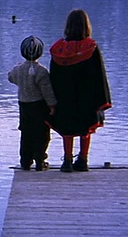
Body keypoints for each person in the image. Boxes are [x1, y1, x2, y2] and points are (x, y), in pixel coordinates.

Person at [47, 9, 112, 172]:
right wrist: (101, 100)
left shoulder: (58, 50)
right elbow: (99, 76)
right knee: (85, 128)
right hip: (87, 97)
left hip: (65, 97)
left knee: (67, 129)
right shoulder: (91, 47)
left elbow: (53, 77)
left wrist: (51, 101)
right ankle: (83, 160)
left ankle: (67, 161)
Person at [8, 35, 57, 171]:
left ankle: (25, 160)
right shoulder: (41, 71)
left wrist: (15, 69)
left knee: (26, 133)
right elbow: (47, 91)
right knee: (41, 134)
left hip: (24, 106)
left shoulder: (18, 70)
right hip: (39, 107)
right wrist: (52, 106)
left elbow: (10, 78)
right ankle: (40, 160)